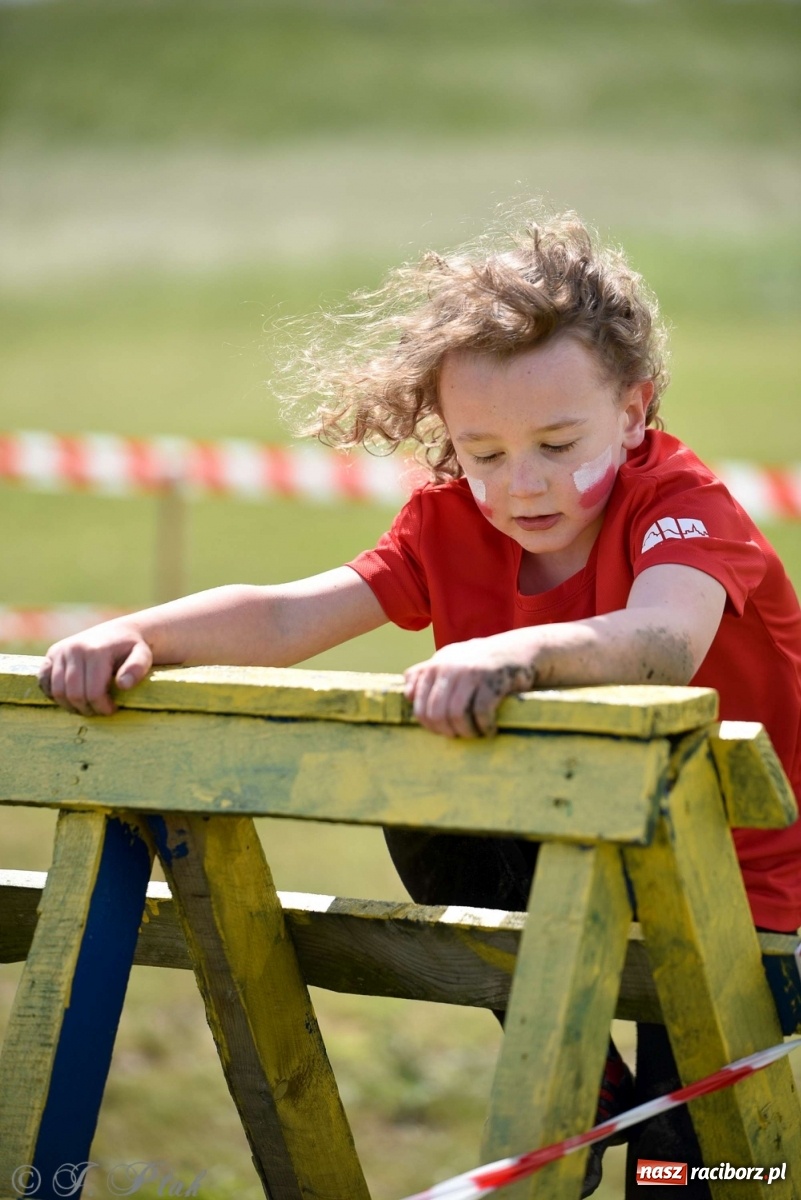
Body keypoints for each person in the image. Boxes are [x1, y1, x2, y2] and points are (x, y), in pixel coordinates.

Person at [39, 211, 801, 1198]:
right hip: (592, 860)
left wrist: (517, 655)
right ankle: (588, 1076)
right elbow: (285, 618)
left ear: (637, 406)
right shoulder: (449, 520)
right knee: (429, 805)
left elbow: (662, 646)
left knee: (685, 1173)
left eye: (556, 442)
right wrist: (140, 635)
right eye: (482, 452)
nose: (520, 484)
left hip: (744, 897)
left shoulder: (685, 506)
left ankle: (653, 1136)